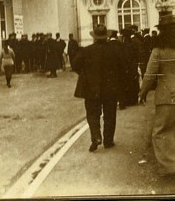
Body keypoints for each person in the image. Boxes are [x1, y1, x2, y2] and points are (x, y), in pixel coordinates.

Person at [73, 24, 126, 152]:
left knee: (92, 114)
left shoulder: (86, 51)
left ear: (95, 37)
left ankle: (96, 137)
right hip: (110, 88)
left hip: (91, 88)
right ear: (106, 36)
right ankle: (108, 140)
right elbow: (123, 67)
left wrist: (85, 74)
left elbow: (75, 65)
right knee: (110, 114)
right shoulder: (115, 50)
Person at [139, 14, 175, 177]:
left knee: (160, 131)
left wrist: (142, 92)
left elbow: (150, 75)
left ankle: (170, 166)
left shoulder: (158, 50)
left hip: (166, 96)